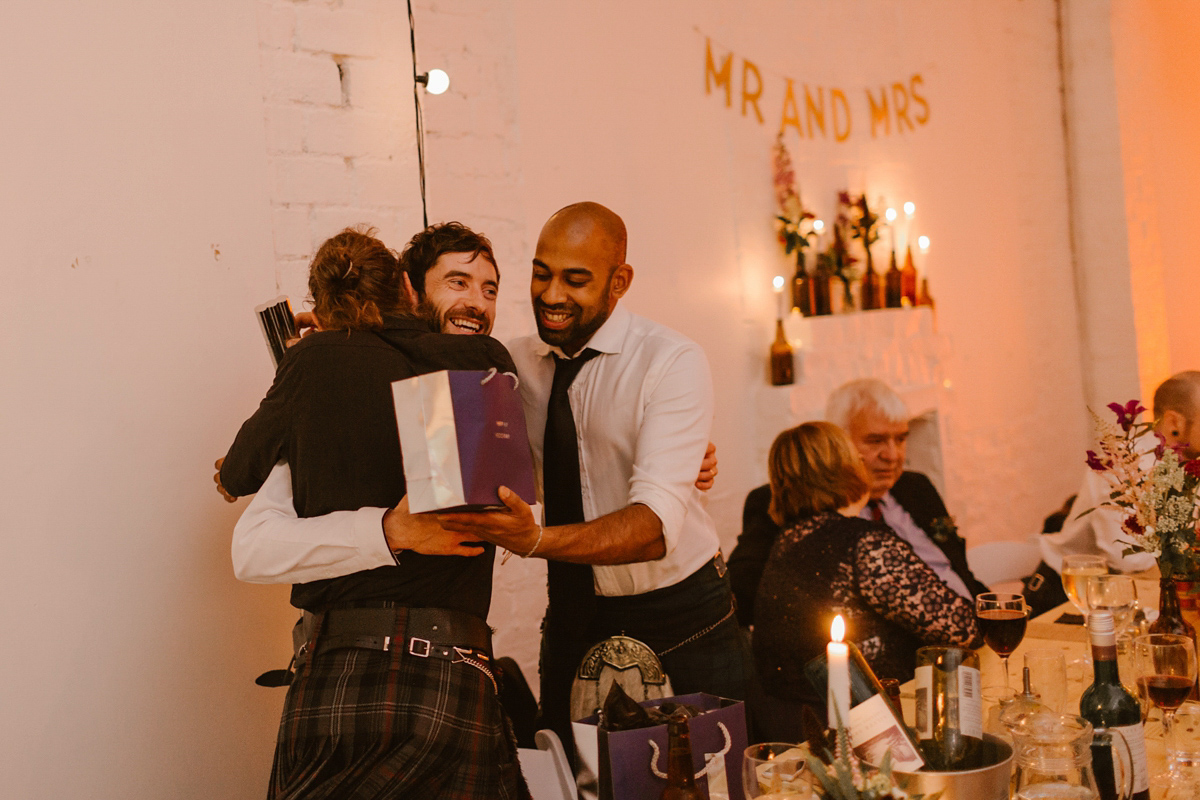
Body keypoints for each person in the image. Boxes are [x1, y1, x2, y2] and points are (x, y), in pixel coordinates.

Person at [218, 227, 529, 799]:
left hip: (347, 674)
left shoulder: (320, 367)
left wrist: (330, 346)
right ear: (410, 289)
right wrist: (391, 530)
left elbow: (237, 474)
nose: (477, 304)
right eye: (457, 282)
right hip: (437, 673)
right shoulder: (475, 370)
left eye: (490, 289)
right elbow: (254, 547)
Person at [437, 202, 753, 758]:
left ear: (619, 281)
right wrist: (347, 335)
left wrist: (536, 541)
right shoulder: (509, 366)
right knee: (576, 782)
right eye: (541, 273)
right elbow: (431, 385)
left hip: (681, 615)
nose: (553, 294)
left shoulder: (670, 360)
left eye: (576, 280)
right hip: (574, 615)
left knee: (707, 785)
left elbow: (654, 527)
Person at [751, 422, 978, 739]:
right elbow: (963, 628)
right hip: (870, 732)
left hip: (799, 726)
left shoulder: (787, 541)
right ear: (845, 469)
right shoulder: (862, 544)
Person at [728, 378, 987, 627]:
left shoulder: (916, 487)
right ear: (840, 443)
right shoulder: (796, 501)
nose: (893, 456)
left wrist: (992, 611)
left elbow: (956, 570)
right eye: (875, 441)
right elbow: (744, 598)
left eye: (900, 439)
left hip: (972, 626)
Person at [1025, 370, 1200, 614]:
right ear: (1174, 423)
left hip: (1132, 595)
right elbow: (1129, 559)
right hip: (1068, 597)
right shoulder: (1123, 464)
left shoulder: (1188, 464)